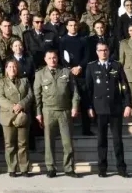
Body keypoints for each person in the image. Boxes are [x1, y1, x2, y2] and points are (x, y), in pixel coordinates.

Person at [86, 41, 132, 178]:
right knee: (102, 141)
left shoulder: (116, 65)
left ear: (108, 51)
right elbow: (88, 89)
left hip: (115, 109)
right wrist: (89, 107)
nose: (103, 52)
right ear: (96, 52)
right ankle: (102, 168)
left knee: (118, 140)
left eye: (105, 50)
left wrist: (128, 104)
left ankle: (121, 168)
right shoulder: (91, 67)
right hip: (99, 109)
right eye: (100, 50)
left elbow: (125, 86)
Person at [34, 49, 80, 178]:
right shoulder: (40, 74)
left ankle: (69, 168)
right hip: (48, 111)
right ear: (45, 59)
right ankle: (51, 168)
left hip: (64, 110)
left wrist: (74, 106)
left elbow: (75, 92)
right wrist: (38, 113)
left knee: (67, 142)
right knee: (49, 142)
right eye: (49, 58)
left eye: (54, 57)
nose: (52, 60)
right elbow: (37, 96)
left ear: (57, 58)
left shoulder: (66, 72)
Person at [0, 59, 33, 177]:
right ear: (6, 69)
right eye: (10, 67)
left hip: (22, 115)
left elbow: (30, 95)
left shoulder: (24, 80)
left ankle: (24, 168)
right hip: (8, 116)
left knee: (23, 143)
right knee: (9, 144)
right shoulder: (1, 82)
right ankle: (12, 168)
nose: (12, 69)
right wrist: (13, 107)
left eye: (15, 67)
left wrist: (21, 105)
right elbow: (0, 98)